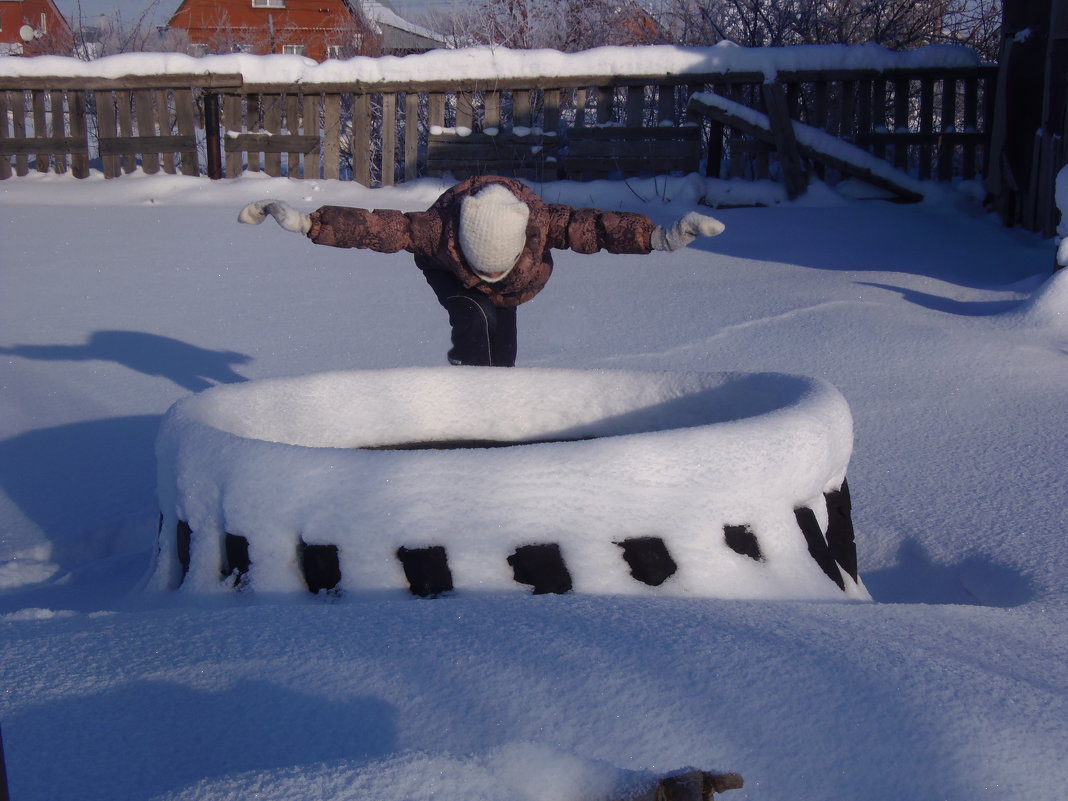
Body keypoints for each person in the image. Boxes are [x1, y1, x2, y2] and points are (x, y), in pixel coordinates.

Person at [239, 175, 725, 367]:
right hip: (448, 272)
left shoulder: (540, 223)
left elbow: (594, 227)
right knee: (474, 312)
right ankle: (467, 400)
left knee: (502, 338)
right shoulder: (438, 229)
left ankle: (498, 399)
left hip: (518, 286)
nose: (488, 274)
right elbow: (376, 228)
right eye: (484, 266)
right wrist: (308, 223)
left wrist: (661, 237)